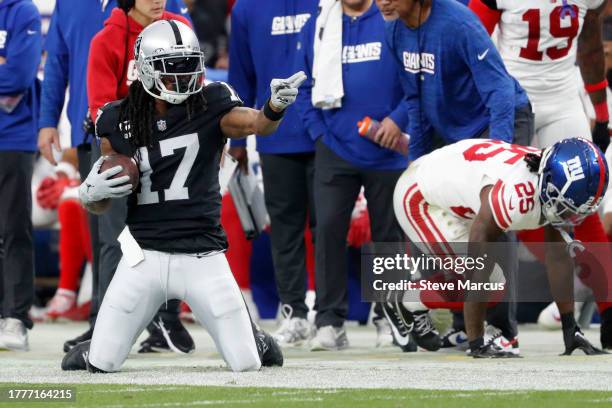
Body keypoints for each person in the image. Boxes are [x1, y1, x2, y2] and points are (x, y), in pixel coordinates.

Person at [61, 20, 303, 373]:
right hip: (143, 257)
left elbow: (256, 125)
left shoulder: (211, 102)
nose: (183, 77)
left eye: (189, 65)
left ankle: (255, 337)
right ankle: (96, 345)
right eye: (172, 68)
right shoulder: (116, 119)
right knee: (100, 363)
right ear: (144, 68)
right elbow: (103, 201)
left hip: (202, 255)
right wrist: (89, 194)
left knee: (247, 363)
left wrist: (274, 108)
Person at [376, 0, 532, 352]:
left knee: (493, 217)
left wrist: (498, 156)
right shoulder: (395, 29)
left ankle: (501, 329)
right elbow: (414, 102)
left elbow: (500, 90)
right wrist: (417, 165)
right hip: (453, 131)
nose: (381, 1)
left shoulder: (459, 24)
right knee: (450, 218)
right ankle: (465, 326)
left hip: (498, 120)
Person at [37, 0, 190, 353]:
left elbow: (185, 61)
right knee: (107, 237)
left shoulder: (164, 8)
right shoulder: (71, 5)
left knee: (161, 229)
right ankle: (101, 323)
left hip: (161, 139)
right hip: (96, 131)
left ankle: (161, 323)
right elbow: (57, 62)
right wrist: (48, 121)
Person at [295, 0, 439, 351]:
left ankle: (387, 318)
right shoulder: (318, 24)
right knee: (327, 229)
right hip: (334, 146)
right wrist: (319, 133)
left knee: (388, 238)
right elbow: (302, 86)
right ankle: (329, 321)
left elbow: (416, 77)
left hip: (386, 148)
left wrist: (397, 121)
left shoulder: (392, 18)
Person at [469, 0, 612, 349]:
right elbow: (470, 40)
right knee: (498, 207)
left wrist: (600, 109)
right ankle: (497, 323)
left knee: (583, 205)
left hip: (563, 99)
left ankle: (609, 310)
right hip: (512, 100)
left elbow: (590, 46)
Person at [393, 137, 609, 357]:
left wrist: (570, 329)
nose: (570, 217)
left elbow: (557, 256)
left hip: (455, 187)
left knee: (491, 280)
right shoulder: (515, 196)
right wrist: (477, 344)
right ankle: (408, 298)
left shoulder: (547, 177)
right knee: (490, 283)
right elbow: (477, 270)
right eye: (566, 207)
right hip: (420, 197)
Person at [87, 0, 194, 354]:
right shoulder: (106, 40)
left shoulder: (179, 28)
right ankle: (105, 324)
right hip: (125, 148)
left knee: (177, 232)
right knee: (116, 239)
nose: (158, 0)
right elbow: (101, 108)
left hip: (173, 150)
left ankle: (167, 320)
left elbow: (197, 92)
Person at [228, 0, 319, 347]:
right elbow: (241, 73)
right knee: (284, 229)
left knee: (334, 226)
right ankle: (295, 313)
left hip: (330, 132)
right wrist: (236, 139)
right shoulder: (245, 8)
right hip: (274, 134)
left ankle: (335, 316)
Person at [0, 0, 41, 351]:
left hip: (12, 137)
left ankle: (15, 317)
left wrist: (8, 69)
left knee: (13, 227)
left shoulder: (23, 10)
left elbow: (19, 75)